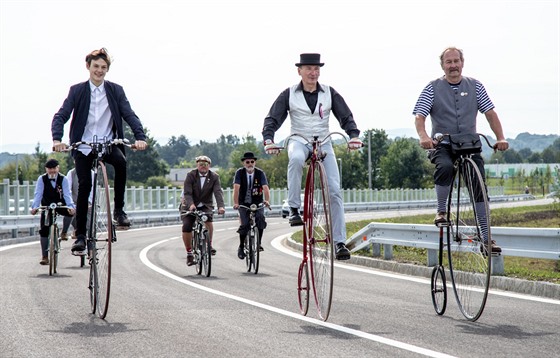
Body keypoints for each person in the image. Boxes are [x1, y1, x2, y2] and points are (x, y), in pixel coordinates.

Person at [262, 53, 363, 260]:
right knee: (297, 159)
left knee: (334, 190)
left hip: (324, 142)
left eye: (316, 69)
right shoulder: (288, 94)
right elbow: (273, 118)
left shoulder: (329, 93)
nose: (313, 72)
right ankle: (293, 209)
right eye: (308, 68)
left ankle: (339, 242)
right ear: (299, 71)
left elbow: (346, 116)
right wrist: (268, 140)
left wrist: (353, 136)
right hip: (299, 140)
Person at [51, 48, 147, 255]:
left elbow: (129, 114)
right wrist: (57, 139)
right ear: (88, 67)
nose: (99, 71)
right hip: (84, 146)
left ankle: (119, 211)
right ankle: (81, 236)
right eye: (96, 66)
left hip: (108, 143)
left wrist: (140, 137)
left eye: (103, 68)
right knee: (84, 184)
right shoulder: (77, 90)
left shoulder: (115, 90)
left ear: (107, 70)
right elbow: (61, 115)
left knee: (121, 163)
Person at [413, 46, 509, 253]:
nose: (453, 66)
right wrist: (424, 137)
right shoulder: (432, 88)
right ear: (443, 65)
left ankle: (486, 238)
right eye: (449, 62)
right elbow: (420, 116)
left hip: (469, 144)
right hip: (444, 144)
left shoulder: (476, 86)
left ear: (462, 63)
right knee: (445, 167)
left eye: (456, 61)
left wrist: (500, 137)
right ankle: (441, 211)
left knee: (479, 187)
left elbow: (490, 113)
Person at [180, 155, 226, 266]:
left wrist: (221, 206)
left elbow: (218, 192)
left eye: (205, 164)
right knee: (187, 226)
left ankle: (209, 244)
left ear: (209, 166)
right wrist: (191, 205)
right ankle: (189, 253)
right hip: (190, 204)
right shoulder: (191, 175)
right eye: (201, 164)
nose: (203, 166)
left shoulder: (214, 177)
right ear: (197, 165)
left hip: (206, 205)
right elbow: (187, 193)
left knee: (208, 221)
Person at [30, 159, 76, 265]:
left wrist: (70, 206)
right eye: (50, 169)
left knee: (70, 213)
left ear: (58, 168)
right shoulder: (42, 179)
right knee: (44, 229)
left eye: (54, 168)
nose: (52, 171)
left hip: (60, 204)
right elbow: (38, 194)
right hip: (47, 206)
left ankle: (64, 232)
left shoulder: (63, 179)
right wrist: (35, 207)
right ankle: (45, 256)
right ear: (46, 169)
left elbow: (67, 194)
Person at [232, 152, 270, 259]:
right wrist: (236, 203)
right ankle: (241, 246)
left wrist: (266, 200)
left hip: (257, 201)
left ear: (255, 162)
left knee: (261, 219)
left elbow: (265, 188)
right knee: (244, 224)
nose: (250, 164)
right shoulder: (239, 173)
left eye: (252, 162)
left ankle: (259, 243)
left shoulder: (260, 173)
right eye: (247, 162)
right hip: (243, 203)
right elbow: (236, 189)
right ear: (244, 163)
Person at [60, 165, 78, 241]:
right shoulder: (72, 173)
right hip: (73, 199)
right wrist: (70, 203)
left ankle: (78, 229)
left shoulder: (92, 173)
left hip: (86, 200)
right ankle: (64, 232)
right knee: (70, 211)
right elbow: (68, 189)